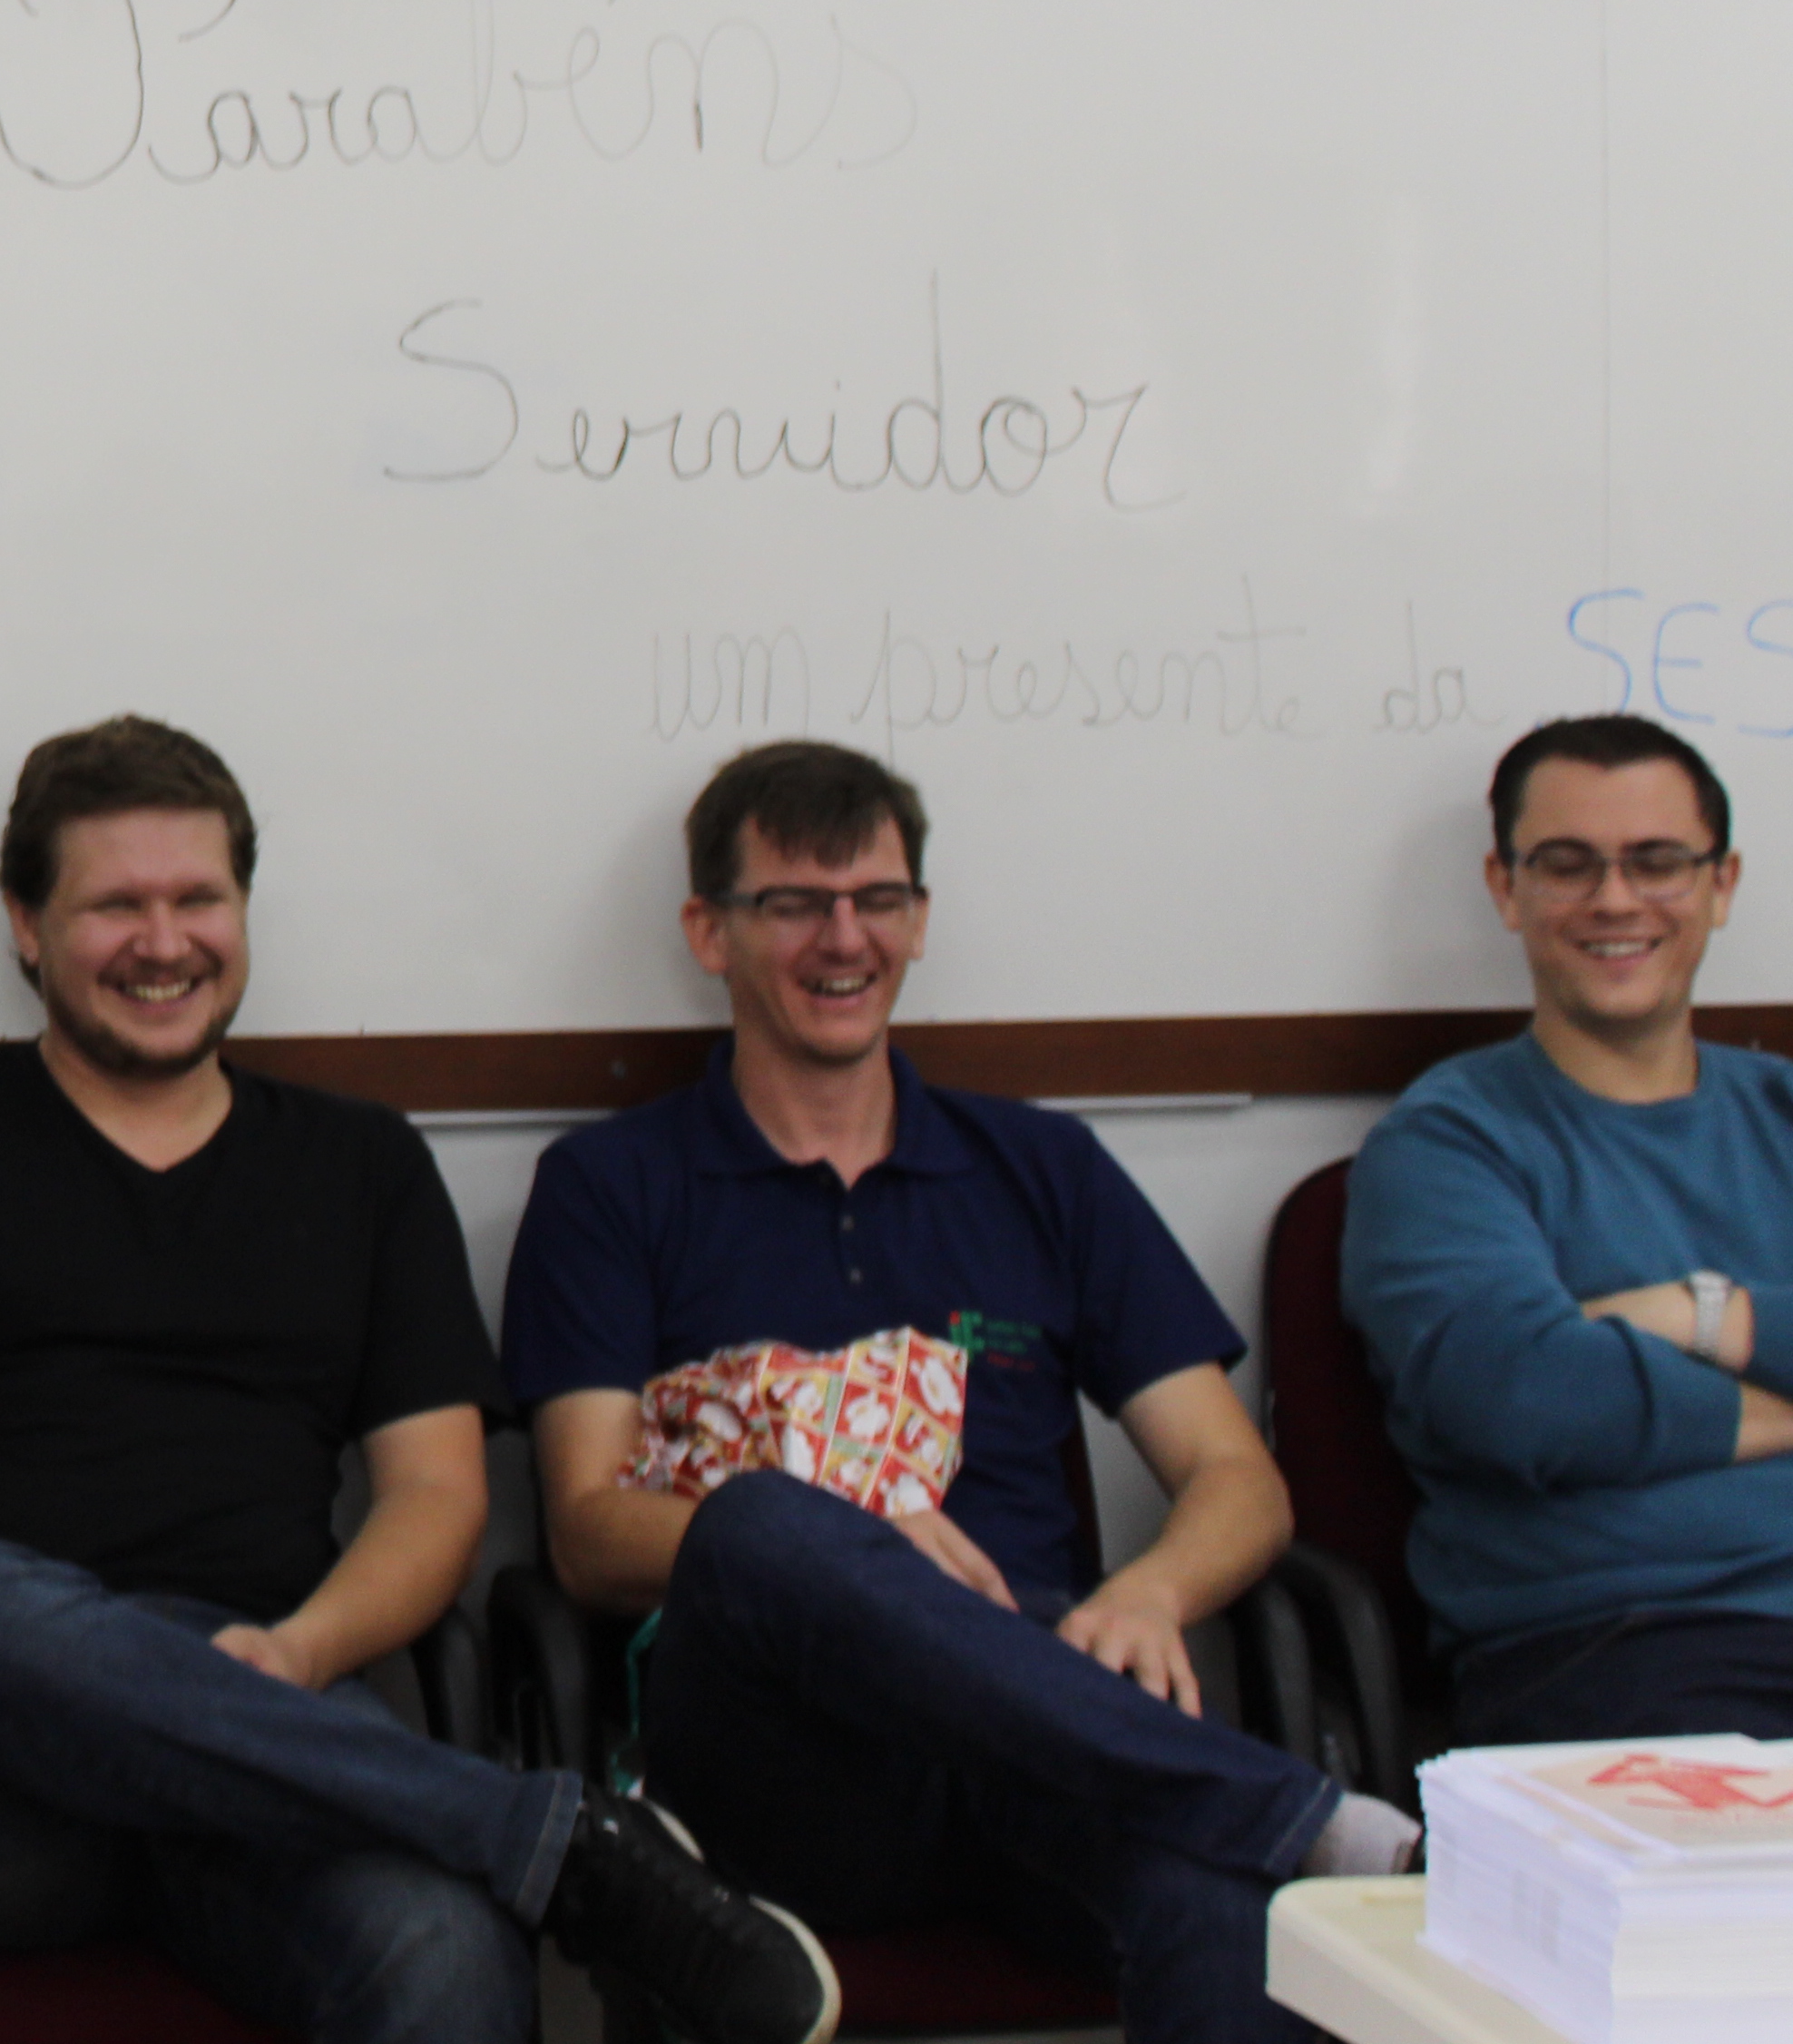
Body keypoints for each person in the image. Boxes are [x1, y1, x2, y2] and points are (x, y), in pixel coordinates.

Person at [0, 714, 839, 2044]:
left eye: (198, 899)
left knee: (448, 1959)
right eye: (115, 906)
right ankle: (556, 1844)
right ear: (26, 926)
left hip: (277, 1717)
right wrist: (69, 1668)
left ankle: (532, 1850)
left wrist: (299, 1654)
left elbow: (437, 1498)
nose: (164, 942)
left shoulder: (364, 1166)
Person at [506, 738, 1416, 2044]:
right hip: (788, 1775)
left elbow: (1237, 1478)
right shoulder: (611, 1186)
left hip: (1048, 1738)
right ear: (710, 932)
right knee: (762, 1520)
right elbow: (590, 1535)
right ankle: (1290, 1812)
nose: (845, 939)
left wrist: (1152, 1594)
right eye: (795, 904)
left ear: (920, 920)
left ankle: (1247, 1818)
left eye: (877, 900)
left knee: (1220, 1909)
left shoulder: (1042, 1167)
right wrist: (856, 1541)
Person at [1342, 713, 1793, 1744]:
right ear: (1506, 888)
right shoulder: (1445, 1145)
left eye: (1657, 862)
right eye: (1567, 864)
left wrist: (1698, 1313)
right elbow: (1524, 1398)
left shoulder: (1782, 1113)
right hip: (1629, 1642)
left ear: (1721, 886)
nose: (1616, 900)